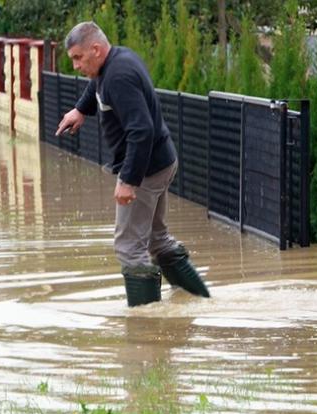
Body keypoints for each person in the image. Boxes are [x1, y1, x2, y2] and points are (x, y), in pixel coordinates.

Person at [55, 21, 209, 306]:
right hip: (161, 161)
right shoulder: (115, 60)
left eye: (78, 57)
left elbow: (141, 131)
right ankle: (199, 298)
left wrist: (128, 181)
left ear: (96, 49)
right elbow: (97, 84)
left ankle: (146, 320)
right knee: (157, 239)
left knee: (128, 246)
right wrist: (80, 109)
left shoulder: (118, 77)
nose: (75, 66)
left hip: (146, 170)